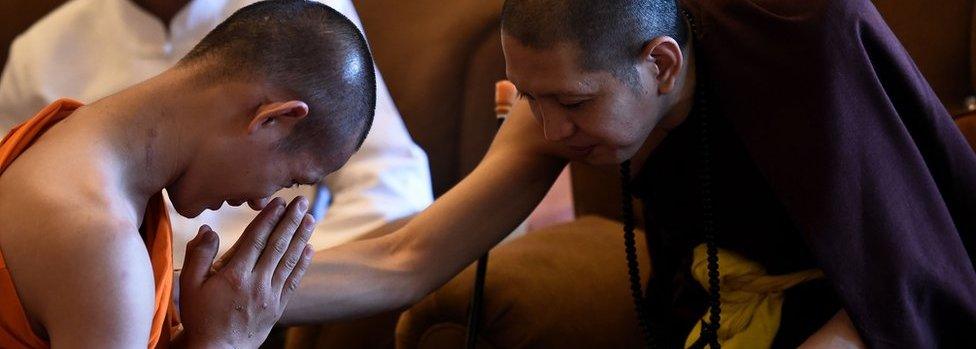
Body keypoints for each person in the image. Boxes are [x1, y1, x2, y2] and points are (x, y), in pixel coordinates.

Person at [275, 0, 976, 347]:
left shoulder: (806, 48)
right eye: (528, 95)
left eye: (573, 103)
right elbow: (407, 257)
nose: (546, 131)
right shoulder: (561, 90)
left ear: (662, 64)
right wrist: (194, 298)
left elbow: (898, 290)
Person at [0, 1, 376, 347]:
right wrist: (227, 342)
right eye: (290, 179)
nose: (262, 201)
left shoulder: (57, 141)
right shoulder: (105, 252)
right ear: (273, 119)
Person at [0, 0, 433, 267]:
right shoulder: (41, 49)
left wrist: (262, 274)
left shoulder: (305, 21)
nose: (265, 198)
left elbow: (394, 183)